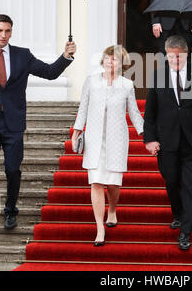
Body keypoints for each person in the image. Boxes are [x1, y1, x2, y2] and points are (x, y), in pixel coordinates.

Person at [0, 14, 76, 230]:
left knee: (12, 170)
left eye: (7, 31)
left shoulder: (22, 55)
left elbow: (49, 73)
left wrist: (65, 57)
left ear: (12, 32)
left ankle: (10, 210)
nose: (3, 35)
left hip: (13, 124)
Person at [143, 35, 192, 251]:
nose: (175, 61)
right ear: (166, 55)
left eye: (179, 57)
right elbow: (150, 113)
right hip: (167, 139)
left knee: (190, 185)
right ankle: (178, 214)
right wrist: (149, 139)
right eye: (171, 57)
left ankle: (186, 231)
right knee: (171, 181)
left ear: (186, 55)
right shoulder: (158, 75)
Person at [71, 45, 143, 246]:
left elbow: (134, 112)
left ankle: (112, 209)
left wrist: (146, 133)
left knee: (112, 183)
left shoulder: (127, 85)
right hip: (94, 138)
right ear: (103, 60)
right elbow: (83, 107)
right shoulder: (91, 81)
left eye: (116, 59)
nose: (111, 62)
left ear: (122, 64)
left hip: (117, 138)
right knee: (96, 182)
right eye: (108, 58)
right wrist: (77, 130)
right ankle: (100, 228)